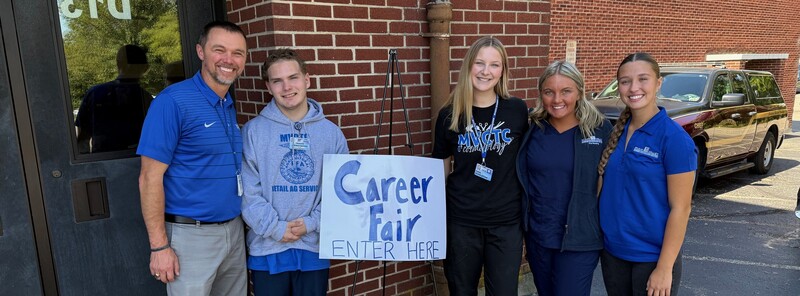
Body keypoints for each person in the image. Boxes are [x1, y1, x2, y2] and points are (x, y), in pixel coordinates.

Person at [137, 21, 248, 295]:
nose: (229, 60)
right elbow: (149, 177)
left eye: (238, 53)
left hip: (234, 233)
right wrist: (159, 246)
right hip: (191, 237)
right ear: (201, 51)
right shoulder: (172, 102)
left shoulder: (227, 104)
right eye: (219, 50)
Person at [241, 48, 348, 295]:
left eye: (293, 78)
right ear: (268, 87)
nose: (286, 87)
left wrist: (312, 223)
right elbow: (248, 192)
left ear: (306, 80)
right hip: (268, 248)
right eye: (277, 81)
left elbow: (339, 191)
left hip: (313, 246)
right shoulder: (253, 132)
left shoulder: (331, 134)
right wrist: (276, 228)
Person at [432, 36, 529, 295]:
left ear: (503, 71)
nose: (486, 71)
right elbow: (440, 171)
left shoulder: (517, 110)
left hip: (505, 223)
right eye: (480, 63)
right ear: (468, 67)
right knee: (462, 291)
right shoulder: (449, 115)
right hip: (461, 222)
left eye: (495, 65)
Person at [597, 52, 696, 296]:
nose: (634, 88)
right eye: (625, 81)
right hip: (613, 254)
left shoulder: (674, 139)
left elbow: (681, 209)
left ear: (658, 83)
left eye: (643, 79)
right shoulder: (615, 133)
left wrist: (664, 268)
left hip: (651, 259)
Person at [516, 61, 612, 296]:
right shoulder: (532, 129)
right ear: (541, 94)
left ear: (579, 91)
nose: (557, 99)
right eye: (549, 92)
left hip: (580, 239)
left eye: (566, 91)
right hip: (539, 237)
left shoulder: (600, 130)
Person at [76, 44, 152, 153]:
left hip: (103, 162)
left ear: (118, 64)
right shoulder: (147, 99)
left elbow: (83, 139)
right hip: (138, 161)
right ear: (144, 67)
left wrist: (86, 165)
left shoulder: (95, 94)